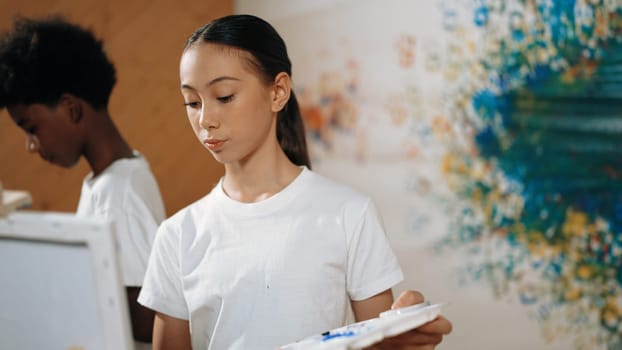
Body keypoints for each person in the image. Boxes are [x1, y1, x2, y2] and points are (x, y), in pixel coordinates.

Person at [138, 14, 452, 350]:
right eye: (192, 102)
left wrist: (407, 333)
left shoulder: (348, 214)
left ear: (278, 92)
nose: (205, 120)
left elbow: (380, 343)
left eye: (224, 96)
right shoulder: (177, 235)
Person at [0, 16, 166, 348]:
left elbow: (147, 321)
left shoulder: (117, 194)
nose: (32, 146)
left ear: (71, 109)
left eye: (31, 128)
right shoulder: (115, 177)